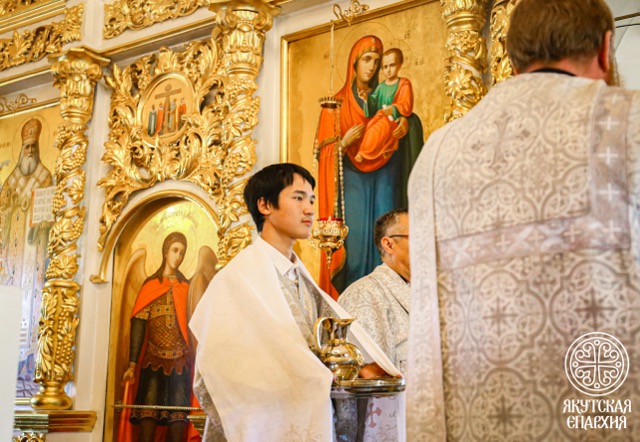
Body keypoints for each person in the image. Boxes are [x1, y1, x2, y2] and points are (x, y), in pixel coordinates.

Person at [406, 0, 640, 440]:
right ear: (605, 50)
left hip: (474, 423)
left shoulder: (436, 153)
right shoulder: (628, 119)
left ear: (513, 59)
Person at [190, 163, 400, 441]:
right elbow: (224, 367)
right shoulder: (237, 280)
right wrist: (314, 376)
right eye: (298, 198)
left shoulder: (300, 278)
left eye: (311, 200)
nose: (310, 209)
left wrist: (361, 366)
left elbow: (325, 347)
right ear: (265, 205)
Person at [316, 35, 423, 298]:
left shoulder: (384, 95)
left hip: (386, 173)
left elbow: (405, 117)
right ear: (353, 63)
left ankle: (392, 299)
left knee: (389, 243)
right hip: (353, 180)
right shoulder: (336, 105)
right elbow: (325, 154)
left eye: (377, 61)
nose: (372, 67)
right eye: (367, 60)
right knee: (355, 248)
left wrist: (406, 125)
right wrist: (343, 143)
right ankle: (352, 301)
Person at [121, 232, 192, 442]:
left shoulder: (187, 287)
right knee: (148, 416)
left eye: (182, 252)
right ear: (165, 251)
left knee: (178, 420)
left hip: (180, 363)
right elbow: (139, 324)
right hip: (152, 362)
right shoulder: (151, 286)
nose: (178, 256)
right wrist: (132, 365)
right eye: (175, 250)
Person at [0, 118, 53, 397]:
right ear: (21, 149)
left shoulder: (45, 177)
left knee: (32, 309)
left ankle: (27, 368)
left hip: (32, 260)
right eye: (26, 146)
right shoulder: (10, 181)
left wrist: (40, 227)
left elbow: (50, 218)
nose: (30, 151)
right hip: (12, 256)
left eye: (34, 146)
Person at [339, 208, 410, 369]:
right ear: (389, 244)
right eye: (417, 236)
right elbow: (364, 371)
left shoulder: (430, 292)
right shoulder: (363, 294)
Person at [356, 49, 415, 167]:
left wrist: (393, 109)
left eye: (392, 65)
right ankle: (364, 151)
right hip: (381, 116)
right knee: (371, 125)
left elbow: (406, 104)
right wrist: (366, 99)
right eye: (385, 67)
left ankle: (365, 153)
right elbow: (373, 102)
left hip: (393, 119)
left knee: (379, 128)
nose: (388, 70)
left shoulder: (404, 83)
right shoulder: (381, 86)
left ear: (399, 65)